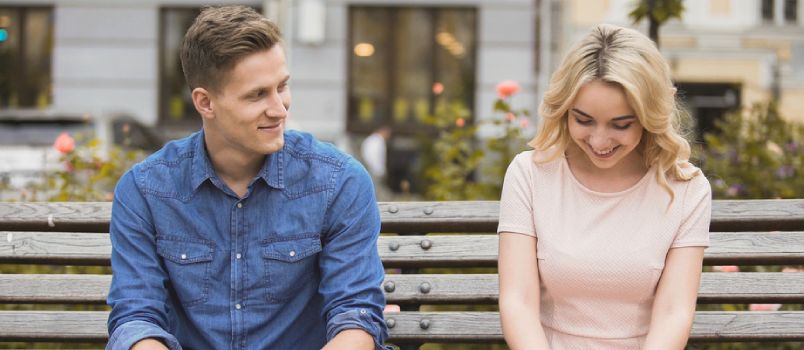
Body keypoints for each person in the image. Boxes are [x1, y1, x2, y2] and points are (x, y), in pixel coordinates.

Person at [106, 6, 389, 350]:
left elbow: (356, 316)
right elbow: (137, 320)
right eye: (257, 95)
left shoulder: (338, 182)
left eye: (282, 87)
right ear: (205, 102)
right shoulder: (146, 191)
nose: (280, 108)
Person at [497, 23, 711, 349]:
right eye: (583, 120)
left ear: (649, 117)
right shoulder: (529, 174)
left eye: (620, 125)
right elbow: (518, 302)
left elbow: (673, 313)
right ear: (564, 109)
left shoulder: (686, 189)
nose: (599, 141)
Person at [360, 126, 392, 200]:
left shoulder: (371, 140)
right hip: (374, 172)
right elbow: (373, 157)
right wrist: (379, 171)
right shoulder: (377, 141)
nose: (389, 136)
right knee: (377, 195)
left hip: (372, 170)